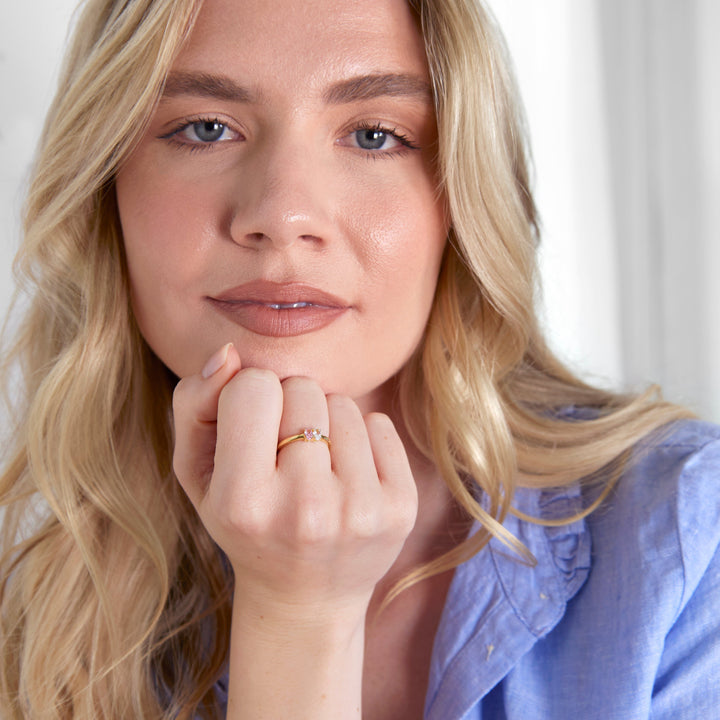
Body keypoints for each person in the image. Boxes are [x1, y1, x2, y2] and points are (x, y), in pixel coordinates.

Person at [1, 0, 718, 717]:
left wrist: (298, 614)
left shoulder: (690, 542)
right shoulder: (36, 625)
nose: (282, 215)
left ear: (462, 198)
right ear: (104, 187)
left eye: (375, 135)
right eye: (205, 128)